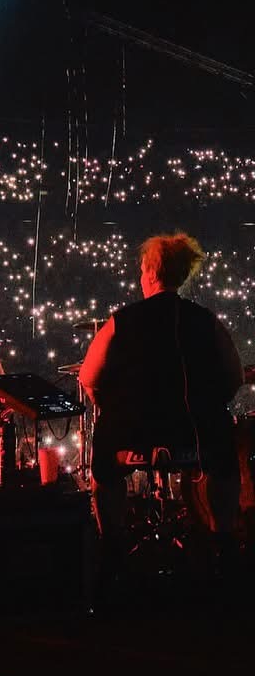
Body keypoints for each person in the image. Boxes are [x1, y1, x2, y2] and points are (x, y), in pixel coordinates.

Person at [79, 231, 244, 582]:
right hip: (196, 435)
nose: (140, 277)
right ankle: (224, 542)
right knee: (224, 461)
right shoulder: (206, 321)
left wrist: (107, 403)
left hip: (130, 435)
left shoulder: (119, 322)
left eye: (141, 270)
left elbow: (88, 378)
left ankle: (112, 548)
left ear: (152, 273)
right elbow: (234, 377)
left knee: (105, 469)